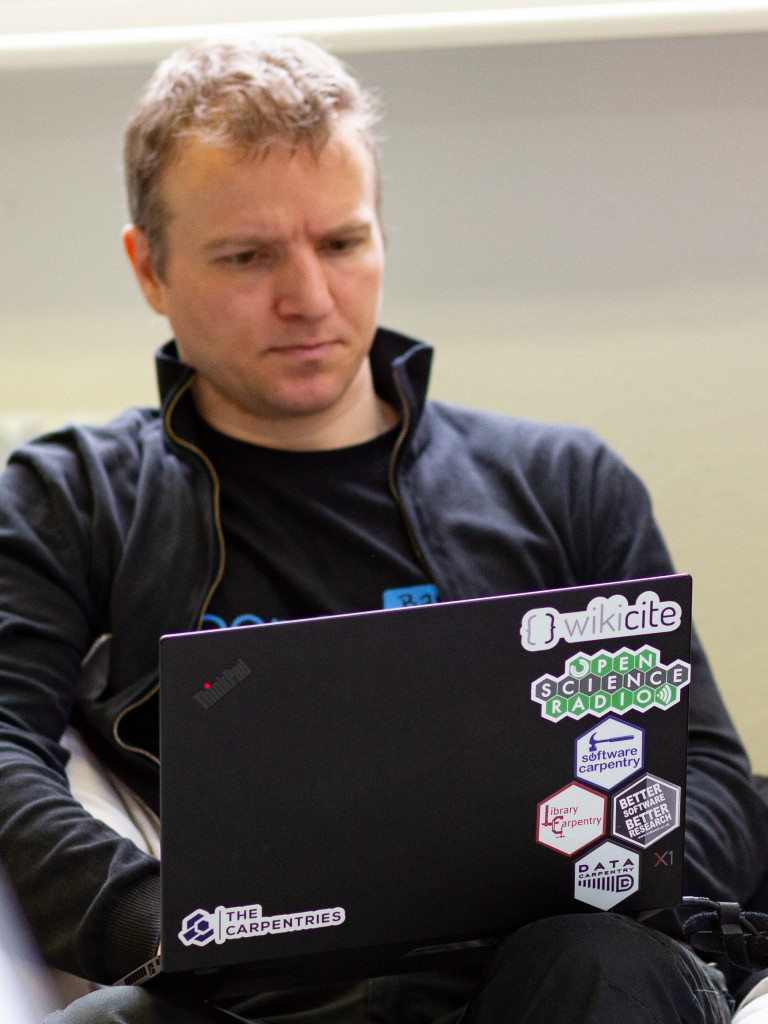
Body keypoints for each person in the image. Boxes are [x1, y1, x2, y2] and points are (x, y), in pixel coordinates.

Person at [0, 34, 766, 1024]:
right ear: (149, 268)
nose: (308, 299)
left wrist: (597, 866)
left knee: (595, 965)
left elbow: (708, 770)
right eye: (248, 256)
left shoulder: (563, 482)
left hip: (548, 965)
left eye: (343, 242)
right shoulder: (73, 495)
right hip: (246, 992)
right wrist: (159, 917)